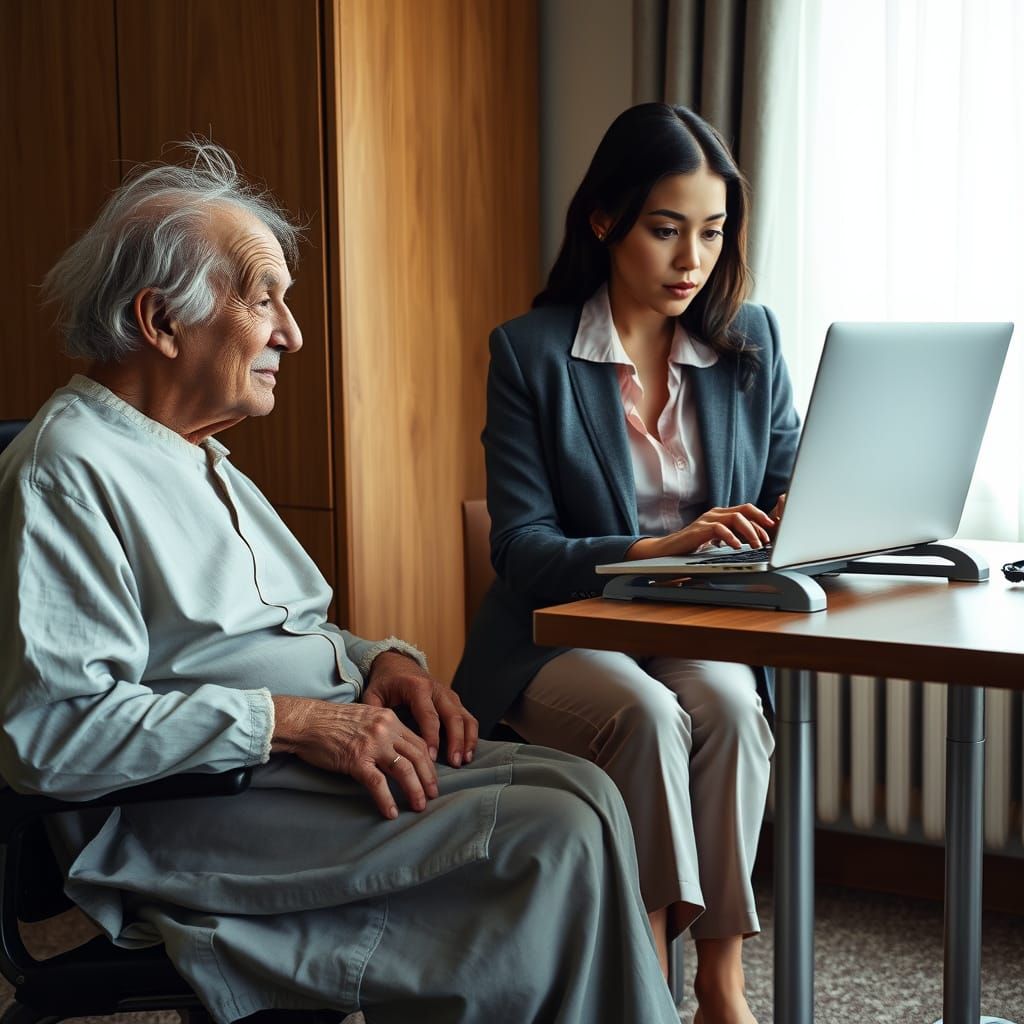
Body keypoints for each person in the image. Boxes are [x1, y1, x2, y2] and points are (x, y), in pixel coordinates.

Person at [0, 141, 682, 1024]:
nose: (292, 332)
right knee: (551, 837)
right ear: (161, 321)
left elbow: (273, 629)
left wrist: (379, 663)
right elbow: (55, 733)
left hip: (289, 779)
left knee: (586, 792)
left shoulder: (198, 454)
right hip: (194, 813)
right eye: (263, 300)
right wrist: (299, 720)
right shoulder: (67, 468)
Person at [454, 103, 802, 1024]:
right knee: (649, 716)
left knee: (726, 704)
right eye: (666, 230)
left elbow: (787, 480)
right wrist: (659, 547)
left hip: (696, 626)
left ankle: (721, 989)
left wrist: (792, 516)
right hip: (559, 635)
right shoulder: (530, 353)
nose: (693, 260)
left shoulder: (750, 343)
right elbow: (521, 550)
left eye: (713, 233)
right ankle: (643, 982)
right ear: (605, 220)